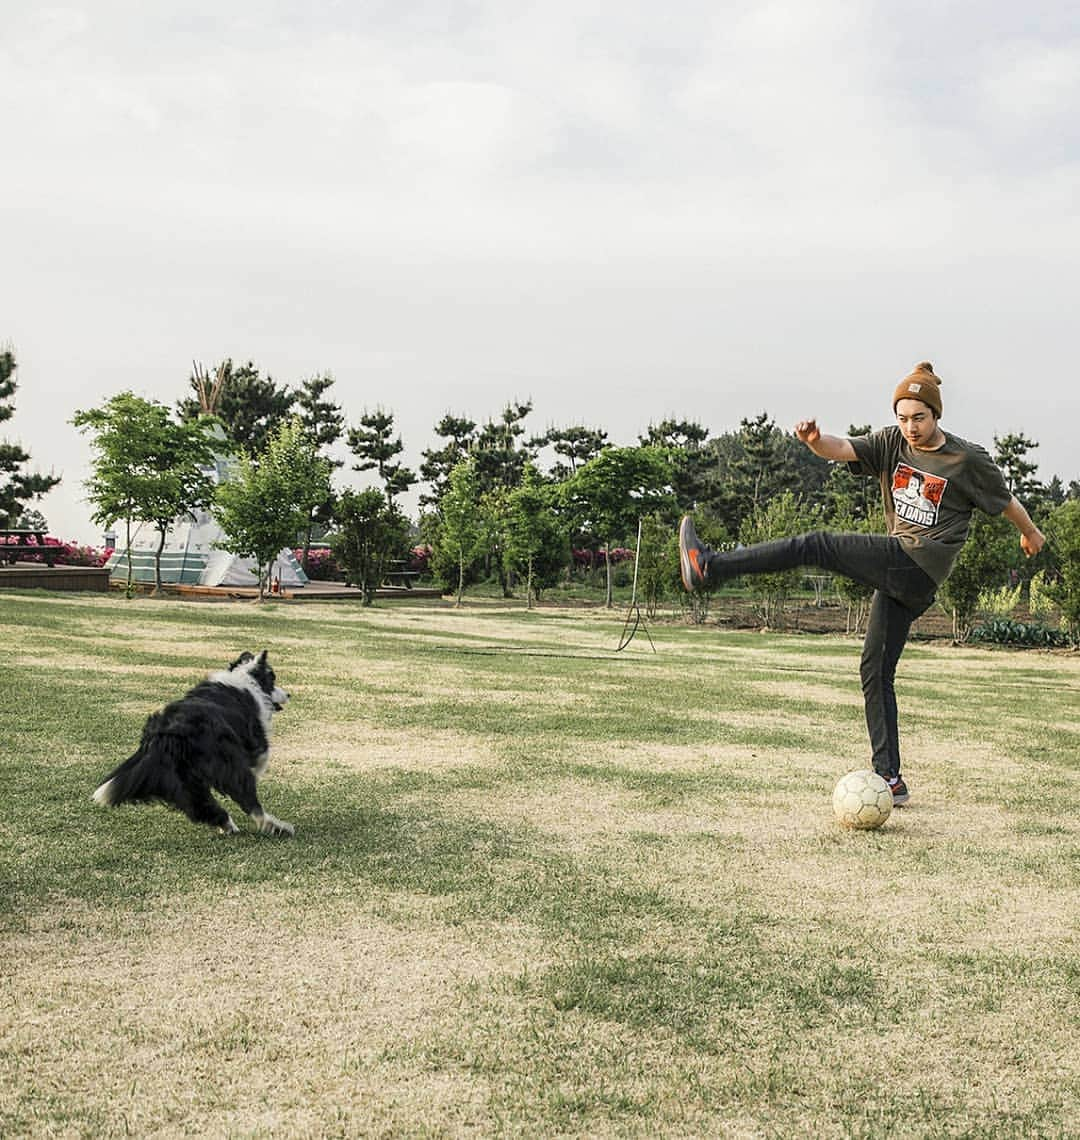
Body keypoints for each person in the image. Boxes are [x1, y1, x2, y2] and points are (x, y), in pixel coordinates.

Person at [678, 361, 1045, 805]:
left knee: (816, 544)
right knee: (874, 670)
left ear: (937, 414)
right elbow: (842, 448)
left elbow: (1005, 501)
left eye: (919, 418)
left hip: (916, 563)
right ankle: (890, 777)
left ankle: (709, 566)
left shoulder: (965, 459)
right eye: (903, 417)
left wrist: (1031, 532)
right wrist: (815, 442)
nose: (910, 427)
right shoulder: (891, 443)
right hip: (903, 577)